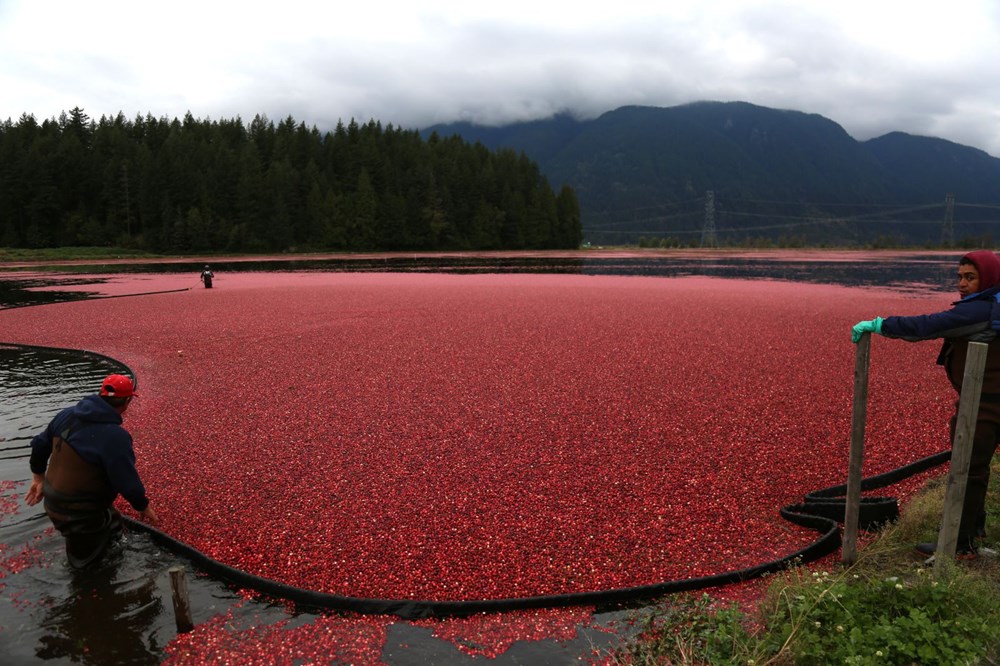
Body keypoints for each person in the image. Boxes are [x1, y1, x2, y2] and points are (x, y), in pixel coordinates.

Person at [851, 249, 1000, 558]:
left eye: (970, 278)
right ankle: (971, 537)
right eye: (959, 277)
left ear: (988, 279)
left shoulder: (979, 312)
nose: (962, 284)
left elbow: (929, 325)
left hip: (982, 406)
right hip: (985, 401)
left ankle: (957, 545)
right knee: (977, 470)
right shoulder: (994, 305)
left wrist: (882, 325)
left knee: (967, 470)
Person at [25, 374, 158, 568]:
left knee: (113, 525)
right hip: (77, 514)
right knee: (88, 565)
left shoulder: (67, 415)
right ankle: (88, 589)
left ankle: (111, 544)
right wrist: (142, 506)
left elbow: (39, 444)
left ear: (101, 393)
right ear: (128, 401)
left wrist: (38, 477)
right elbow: (126, 479)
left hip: (55, 500)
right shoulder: (115, 436)